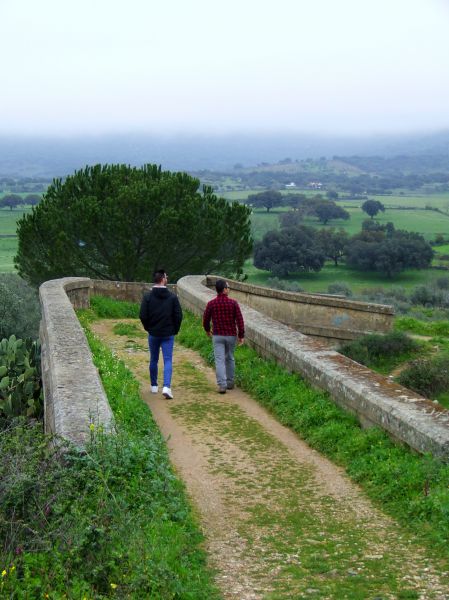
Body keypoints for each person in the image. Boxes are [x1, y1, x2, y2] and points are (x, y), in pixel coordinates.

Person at [139, 270, 183, 399]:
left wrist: (148, 328)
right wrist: (175, 329)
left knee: (154, 359)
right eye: (166, 276)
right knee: (168, 359)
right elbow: (178, 316)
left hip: (153, 333)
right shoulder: (172, 297)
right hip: (168, 333)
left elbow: (142, 315)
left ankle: (153, 386)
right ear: (163, 279)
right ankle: (166, 387)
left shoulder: (147, 297)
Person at [203, 279, 245, 394]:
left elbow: (206, 319)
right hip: (231, 335)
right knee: (230, 358)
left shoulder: (211, 304)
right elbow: (240, 321)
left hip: (217, 335)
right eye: (228, 287)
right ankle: (230, 382)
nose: (229, 289)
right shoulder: (233, 303)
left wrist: (207, 330)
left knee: (219, 360)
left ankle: (222, 385)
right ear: (224, 289)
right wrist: (241, 335)